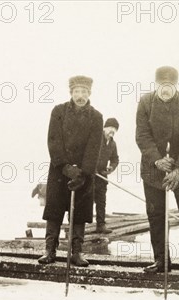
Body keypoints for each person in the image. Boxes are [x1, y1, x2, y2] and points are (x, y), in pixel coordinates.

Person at [136, 66, 179, 276]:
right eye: (162, 86)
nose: (165, 90)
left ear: (176, 86)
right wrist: (157, 160)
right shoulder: (146, 102)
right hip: (152, 169)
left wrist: (178, 169)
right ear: (156, 85)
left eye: (170, 86)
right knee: (156, 215)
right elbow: (142, 136)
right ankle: (161, 260)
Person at [38, 75, 103, 267]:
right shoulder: (58, 111)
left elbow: (94, 147)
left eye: (84, 92)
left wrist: (83, 173)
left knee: (79, 213)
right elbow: (53, 140)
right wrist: (66, 167)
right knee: (54, 211)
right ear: (71, 93)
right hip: (60, 171)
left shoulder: (97, 117)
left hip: (84, 174)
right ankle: (50, 250)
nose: (80, 96)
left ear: (89, 93)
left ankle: (77, 252)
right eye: (76, 92)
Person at [94, 118, 120, 234]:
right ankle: (75, 226)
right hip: (90, 175)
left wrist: (111, 168)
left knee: (101, 201)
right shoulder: (95, 138)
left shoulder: (113, 144)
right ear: (105, 127)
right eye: (111, 128)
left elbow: (115, 159)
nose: (113, 131)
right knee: (84, 201)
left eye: (115, 129)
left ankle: (101, 225)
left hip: (102, 176)